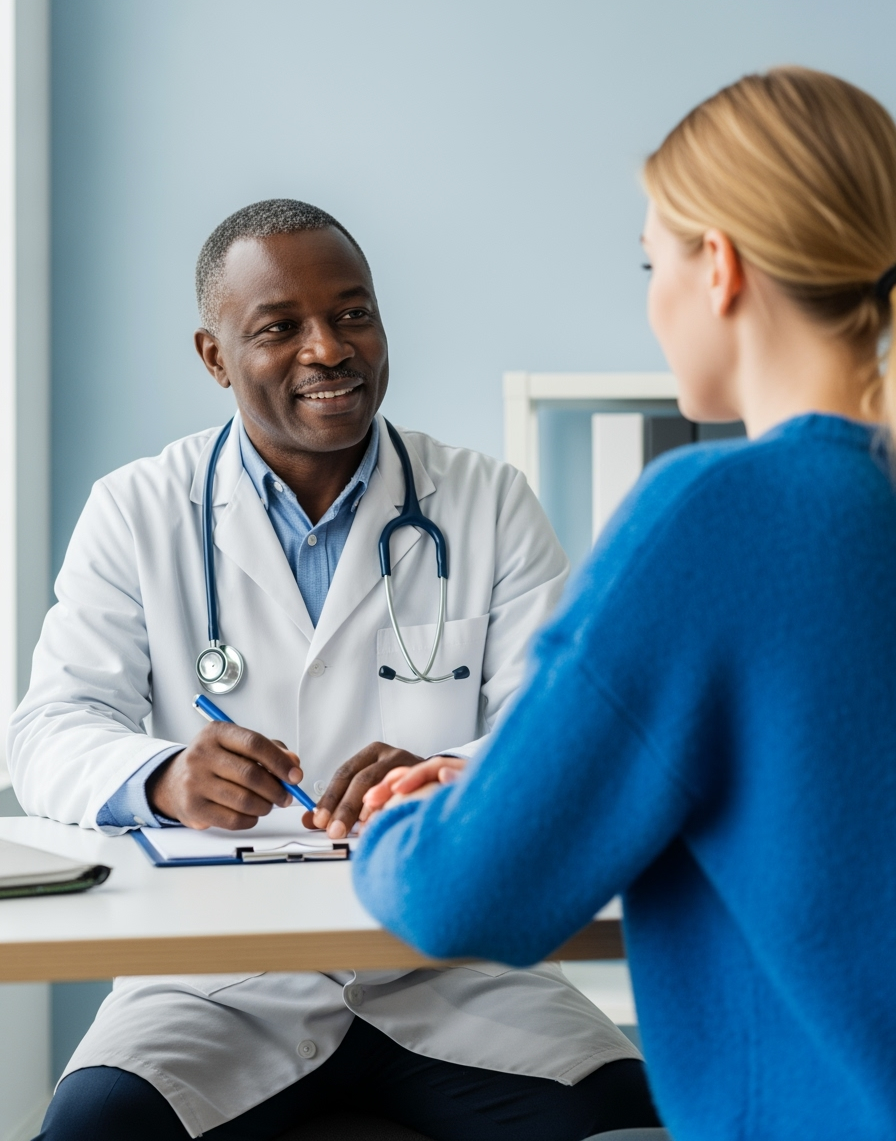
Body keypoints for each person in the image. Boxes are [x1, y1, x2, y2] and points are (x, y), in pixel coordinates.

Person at [9, 199, 658, 1140]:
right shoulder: (137, 510)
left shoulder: (485, 501)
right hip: (215, 982)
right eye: (280, 327)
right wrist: (163, 774)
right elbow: (47, 732)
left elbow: (560, 735)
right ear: (213, 356)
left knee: (626, 1124)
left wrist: (450, 777)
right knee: (92, 1132)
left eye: (352, 313)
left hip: (457, 963)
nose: (329, 348)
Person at [354, 68, 896, 1141]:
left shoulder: (713, 511)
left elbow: (468, 893)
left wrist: (403, 821)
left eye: (653, 262)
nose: (650, 299)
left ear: (721, 267)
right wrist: (537, 775)